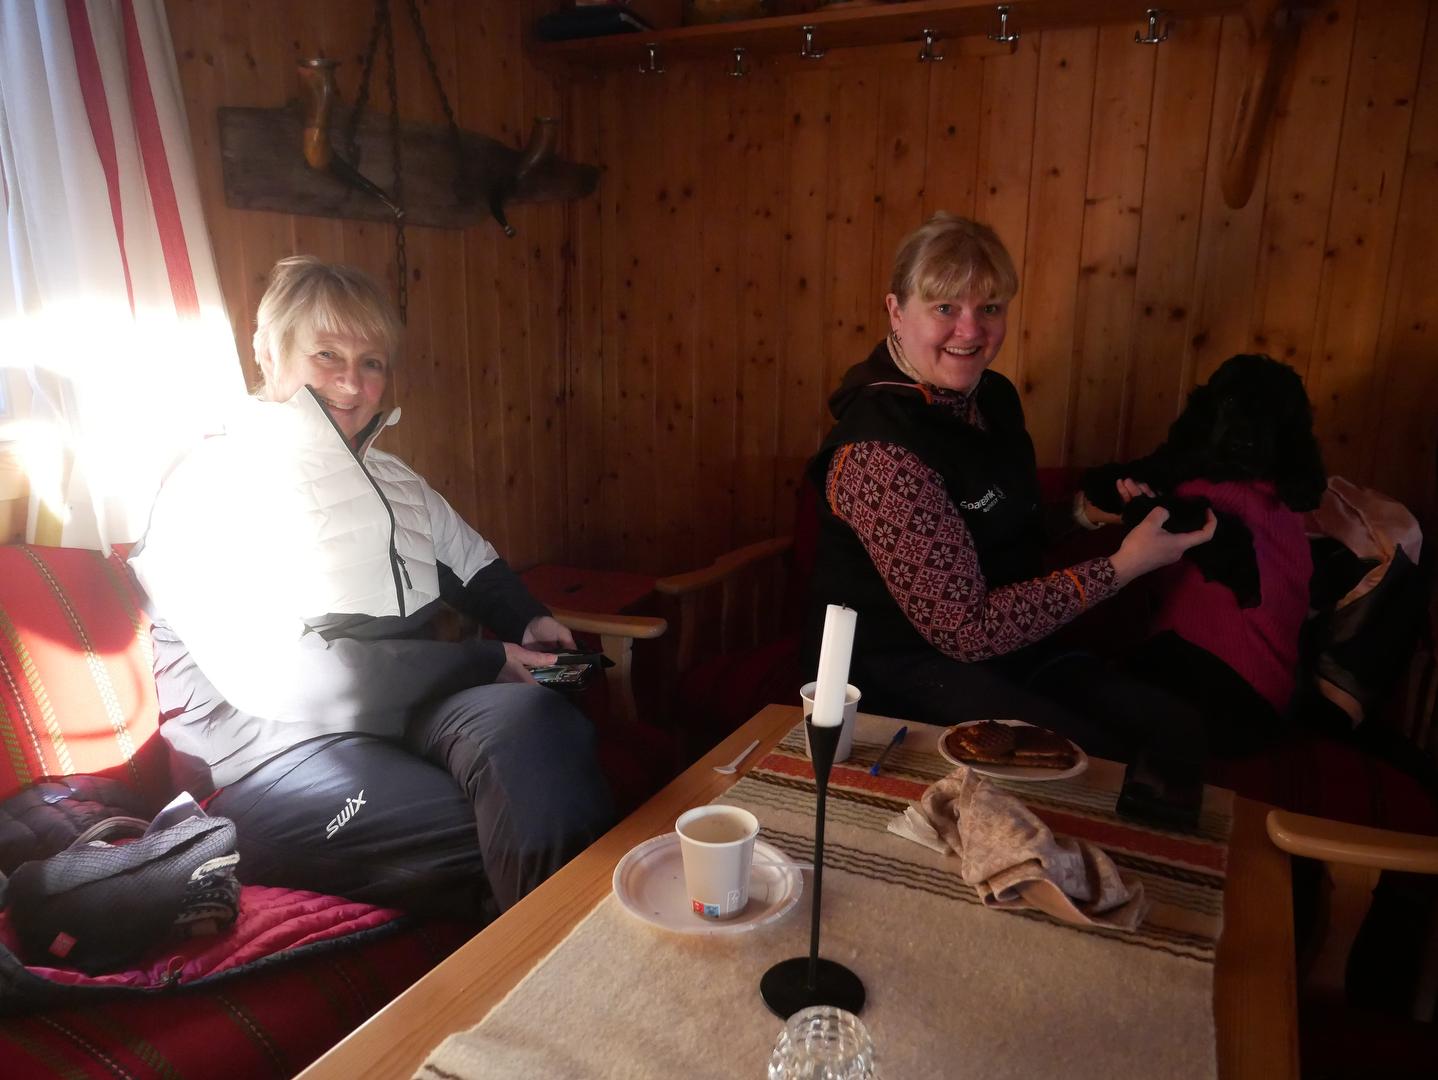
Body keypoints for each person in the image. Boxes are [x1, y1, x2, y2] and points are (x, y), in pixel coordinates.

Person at [129, 256, 613, 920]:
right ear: (268, 352)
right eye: (327, 354)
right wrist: (487, 658)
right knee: (505, 821)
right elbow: (290, 682)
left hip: (404, 713)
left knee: (542, 730)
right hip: (271, 754)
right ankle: (553, 969)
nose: (352, 382)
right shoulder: (211, 484)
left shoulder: (395, 480)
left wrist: (528, 621)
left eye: (372, 362)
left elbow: (471, 563)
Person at [803, 213, 1217, 764]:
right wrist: (1124, 566)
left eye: (990, 309)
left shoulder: (990, 398)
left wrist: (1086, 514)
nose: (970, 331)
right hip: (902, 669)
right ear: (897, 312)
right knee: (1091, 755)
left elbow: (994, 530)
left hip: (1007, 652)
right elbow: (967, 631)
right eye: (945, 308)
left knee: (1174, 728)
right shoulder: (880, 452)